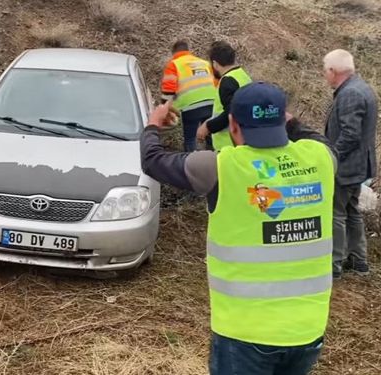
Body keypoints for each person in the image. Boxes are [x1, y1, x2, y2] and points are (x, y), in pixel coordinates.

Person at [141, 82, 336, 375]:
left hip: (245, 333)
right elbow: (315, 137)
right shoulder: (321, 158)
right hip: (307, 332)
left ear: (233, 125)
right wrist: (288, 120)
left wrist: (153, 126)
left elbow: (153, 161)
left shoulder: (221, 167)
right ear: (283, 119)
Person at [323, 49, 378, 279]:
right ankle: (359, 261)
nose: (324, 75)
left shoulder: (350, 94)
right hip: (358, 166)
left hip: (346, 167)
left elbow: (350, 134)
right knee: (351, 210)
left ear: (334, 71)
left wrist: (331, 157)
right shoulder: (361, 87)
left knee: (336, 213)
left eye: (325, 70)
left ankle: (334, 266)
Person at [160, 40, 216, 151]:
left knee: (190, 139)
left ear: (174, 52)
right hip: (212, 104)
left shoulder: (173, 64)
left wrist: (164, 110)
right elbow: (217, 82)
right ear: (188, 50)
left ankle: (191, 163)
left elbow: (168, 91)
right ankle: (214, 161)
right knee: (211, 135)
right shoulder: (205, 63)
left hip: (191, 107)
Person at [196, 41, 252, 150]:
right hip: (244, 138)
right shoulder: (242, 75)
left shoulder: (227, 81)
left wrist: (208, 126)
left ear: (215, 64)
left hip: (229, 145)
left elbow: (231, 112)